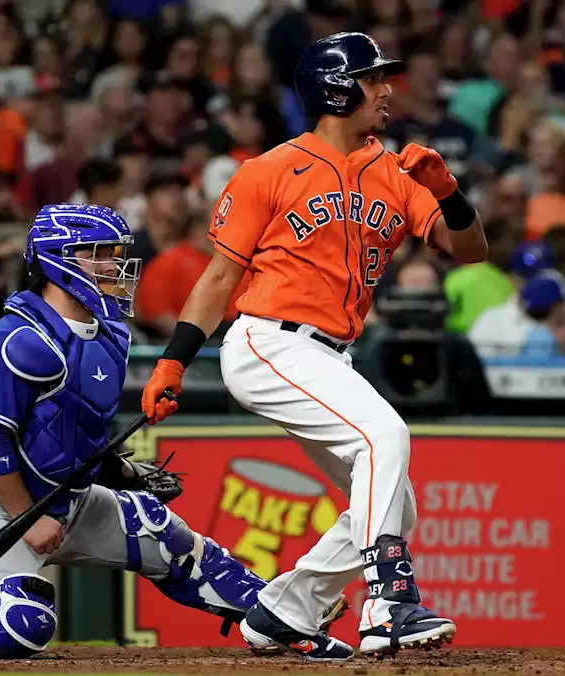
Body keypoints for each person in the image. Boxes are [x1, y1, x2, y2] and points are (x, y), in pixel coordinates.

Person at [0, 204, 344, 659]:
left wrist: (121, 471)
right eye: (98, 253)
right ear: (58, 260)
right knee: (21, 626)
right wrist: (26, 519)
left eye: (115, 253)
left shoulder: (111, 333)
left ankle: (279, 618)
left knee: (169, 539)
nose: (113, 265)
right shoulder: (19, 339)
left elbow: (68, 433)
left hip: (67, 497)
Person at [140, 32, 488, 661]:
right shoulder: (268, 170)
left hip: (330, 355)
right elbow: (220, 277)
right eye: (372, 77)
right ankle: (387, 606)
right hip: (268, 341)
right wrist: (173, 360)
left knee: (392, 507)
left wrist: (448, 192)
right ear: (335, 88)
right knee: (386, 437)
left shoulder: (397, 171)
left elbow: (470, 251)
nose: (386, 88)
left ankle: (282, 612)